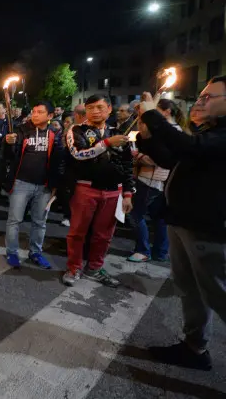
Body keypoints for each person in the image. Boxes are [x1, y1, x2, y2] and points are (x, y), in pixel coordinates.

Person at [137, 78, 226, 371]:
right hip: (182, 220)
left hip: (207, 227)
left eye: (209, 97)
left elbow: (189, 147)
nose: (199, 101)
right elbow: (171, 159)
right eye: (200, 96)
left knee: (218, 293)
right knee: (190, 289)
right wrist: (147, 136)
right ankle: (194, 347)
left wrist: (152, 114)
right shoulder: (207, 132)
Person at [63, 94, 134, 287]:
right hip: (85, 188)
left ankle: (94, 268)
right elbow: (78, 154)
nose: (95, 111)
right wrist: (107, 144)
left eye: (100, 107)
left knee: (104, 235)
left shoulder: (119, 132)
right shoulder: (76, 130)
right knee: (78, 232)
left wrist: (127, 193)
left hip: (113, 192)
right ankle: (74, 268)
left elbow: (128, 164)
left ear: (109, 109)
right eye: (91, 107)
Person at [2, 101, 64, 269]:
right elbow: (9, 155)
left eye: (40, 112)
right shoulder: (21, 130)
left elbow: (58, 162)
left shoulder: (55, 134)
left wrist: (54, 186)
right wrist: (8, 142)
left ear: (50, 116)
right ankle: (12, 252)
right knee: (14, 220)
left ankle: (35, 252)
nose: (34, 114)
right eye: (34, 111)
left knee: (39, 222)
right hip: (21, 183)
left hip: (44, 186)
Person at [127, 99, 184, 263]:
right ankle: (160, 252)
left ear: (166, 112)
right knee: (159, 218)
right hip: (159, 181)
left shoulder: (170, 132)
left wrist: (138, 155)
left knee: (135, 214)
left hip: (151, 180)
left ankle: (143, 250)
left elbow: (156, 159)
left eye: (155, 110)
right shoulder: (171, 131)